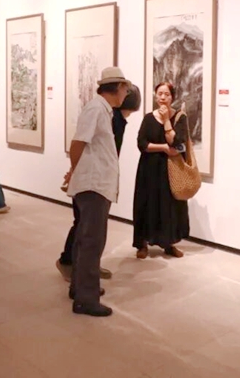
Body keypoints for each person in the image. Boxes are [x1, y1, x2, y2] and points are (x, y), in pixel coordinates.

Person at [56, 84, 142, 282]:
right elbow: (81, 144)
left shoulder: (115, 118)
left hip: (97, 179)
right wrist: (74, 171)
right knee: (85, 227)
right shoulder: (108, 116)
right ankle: (71, 264)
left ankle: (86, 268)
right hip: (92, 182)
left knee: (87, 227)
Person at [65, 66, 130, 317]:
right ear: (118, 87)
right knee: (92, 242)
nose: (126, 94)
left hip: (96, 184)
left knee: (85, 239)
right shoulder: (96, 109)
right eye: (125, 89)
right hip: (93, 185)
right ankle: (86, 298)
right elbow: (77, 143)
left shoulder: (102, 109)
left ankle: (79, 288)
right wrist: (74, 172)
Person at [132, 82, 189, 259]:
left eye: (167, 94)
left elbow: (179, 142)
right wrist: (163, 147)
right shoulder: (149, 118)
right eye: (160, 94)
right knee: (146, 203)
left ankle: (168, 243)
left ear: (172, 97)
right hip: (148, 168)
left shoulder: (179, 117)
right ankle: (142, 244)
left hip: (170, 169)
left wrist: (166, 121)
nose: (163, 97)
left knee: (168, 206)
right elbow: (141, 144)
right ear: (156, 96)